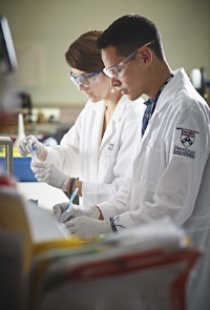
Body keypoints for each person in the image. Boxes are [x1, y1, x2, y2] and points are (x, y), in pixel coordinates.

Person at [55, 15, 210, 310]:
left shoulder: (186, 111)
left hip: (185, 256)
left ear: (144, 56)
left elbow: (172, 206)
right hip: (158, 250)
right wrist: (93, 212)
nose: (112, 81)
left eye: (115, 69)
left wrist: (108, 228)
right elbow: (137, 190)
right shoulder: (155, 106)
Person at [19, 30, 145, 209]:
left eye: (86, 78)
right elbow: (73, 154)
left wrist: (70, 185)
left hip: (120, 225)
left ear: (111, 71)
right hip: (91, 219)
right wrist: (42, 152)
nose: (80, 87)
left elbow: (125, 191)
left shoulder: (134, 115)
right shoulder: (93, 107)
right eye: (75, 78)